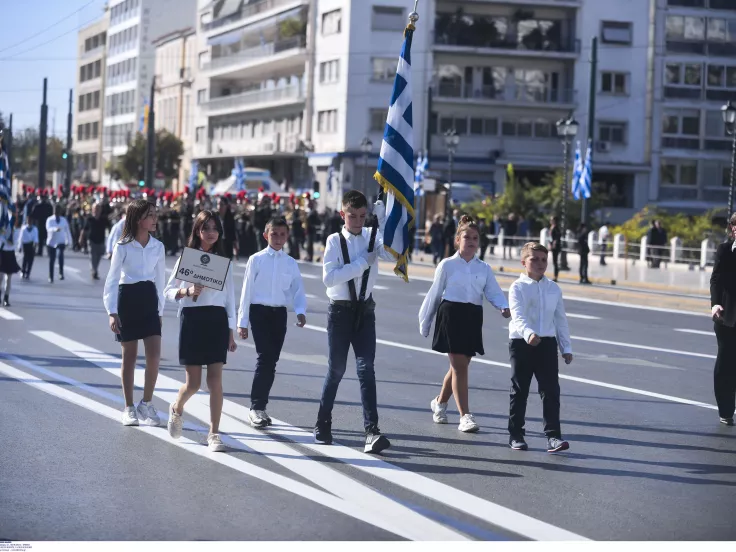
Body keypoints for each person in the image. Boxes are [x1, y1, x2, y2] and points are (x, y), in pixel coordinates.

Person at [314, 190, 394, 454]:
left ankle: (372, 431)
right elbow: (329, 278)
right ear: (342, 215)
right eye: (352, 216)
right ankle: (323, 421)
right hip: (340, 312)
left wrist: (384, 222)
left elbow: (393, 256)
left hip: (365, 311)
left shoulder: (373, 236)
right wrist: (362, 263)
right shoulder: (335, 240)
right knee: (336, 369)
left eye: (362, 216)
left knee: (365, 368)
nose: (358, 221)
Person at [419, 215, 510, 433]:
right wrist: (425, 321)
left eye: (475, 238)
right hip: (451, 315)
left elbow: (493, 291)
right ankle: (465, 416)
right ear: (457, 240)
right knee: (460, 366)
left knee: (459, 366)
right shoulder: (447, 265)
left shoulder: (484, 268)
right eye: (466, 237)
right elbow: (434, 294)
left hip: (472, 316)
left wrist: (502, 306)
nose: (471, 241)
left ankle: (440, 403)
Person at [164, 210, 238, 452]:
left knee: (215, 381)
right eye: (206, 228)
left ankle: (214, 433)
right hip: (192, 319)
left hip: (216, 320)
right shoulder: (186, 259)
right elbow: (168, 291)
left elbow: (230, 298)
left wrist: (230, 328)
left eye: (215, 228)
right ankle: (176, 407)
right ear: (197, 231)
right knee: (193, 383)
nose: (211, 233)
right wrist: (186, 291)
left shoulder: (223, 261)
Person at [237, 216, 307, 428]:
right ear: (265, 235)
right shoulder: (256, 259)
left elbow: (297, 289)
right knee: (265, 358)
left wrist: (300, 311)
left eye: (282, 234)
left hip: (279, 315)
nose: (277, 238)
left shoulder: (290, 263)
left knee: (271, 361)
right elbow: (246, 290)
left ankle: (261, 407)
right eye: (273, 233)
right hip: (259, 313)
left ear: (287, 236)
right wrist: (243, 321)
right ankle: (256, 407)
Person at [103, 199, 166, 427]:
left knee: (154, 356)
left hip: (149, 299)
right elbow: (111, 281)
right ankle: (128, 407)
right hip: (127, 299)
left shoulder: (158, 246)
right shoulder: (122, 246)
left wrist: (160, 310)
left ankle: (146, 403)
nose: (155, 219)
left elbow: (160, 281)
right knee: (129, 357)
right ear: (140, 219)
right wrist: (112, 311)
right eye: (151, 215)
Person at [508, 242, 573, 452]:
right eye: (534, 259)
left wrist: (566, 347)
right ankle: (516, 434)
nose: (540, 263)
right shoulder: (517, 287)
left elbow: (560, 319)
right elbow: (517, 316)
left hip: (546, 343)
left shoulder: (553, 288)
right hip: (521, 342)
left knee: (551, 390)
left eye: (543, 260)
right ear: (524, 262)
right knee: (520, 389)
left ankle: (553, 437)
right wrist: (528, 334)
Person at [710, 213, 736, 426]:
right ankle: (726, 410)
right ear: (732, 228)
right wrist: (715, 303)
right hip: (727, 315)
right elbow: (716, 279)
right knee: (726, 362)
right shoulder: (725, 250)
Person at [45, 204, 72, 283]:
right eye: (55, 210)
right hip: (51, 242)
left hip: (61, 241)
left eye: (58, 210)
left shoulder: (63, 220)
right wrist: (54, 229)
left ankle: (61, 272)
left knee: (60, 254)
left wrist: (69, 241)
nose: (57, 211)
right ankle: (51, 276)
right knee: (52, 259)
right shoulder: (49, 219)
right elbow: (48, 228)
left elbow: (67, 231)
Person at [80, 203, 107, 280]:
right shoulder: (89, 219)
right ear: (92, 209)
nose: (96, 210)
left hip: (101, 240)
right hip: (91, 240)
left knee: (98, 256)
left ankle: (95, 269)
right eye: (95, 208)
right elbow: (84, 229)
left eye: (98, 209)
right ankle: (94, 271)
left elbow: (110, 227)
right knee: (92, 256)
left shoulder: (103, 219)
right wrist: (81, 238)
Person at [0, 216, 20, 306]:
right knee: (0, 277)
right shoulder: (2, 230)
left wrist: (8, 238)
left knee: (8, 278)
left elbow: (14, 243)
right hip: (2, 253)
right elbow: (1, 241)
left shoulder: (15, 231)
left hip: (10, 254)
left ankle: (6, 298)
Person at [549, 216, 562, 282]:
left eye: (552, 220)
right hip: (552, 246)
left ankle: (556, 276)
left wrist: (554, 244)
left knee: (555, 262)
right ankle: (555, 275)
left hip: (556, 247)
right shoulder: (552, 227)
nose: (550, 221)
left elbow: (557, 237)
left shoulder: (556, 228)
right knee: (554, 262)